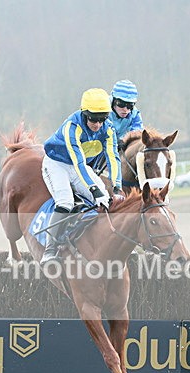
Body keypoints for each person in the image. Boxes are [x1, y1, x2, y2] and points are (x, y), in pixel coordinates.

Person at [40, 88, 123, 265]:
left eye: (102, 119)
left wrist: (117, 187)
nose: (98, 124)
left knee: (106, 199)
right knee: (65, 203)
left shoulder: (108, 129)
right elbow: (78, 163)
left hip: (78, 166)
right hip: (57, 164)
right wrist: (94, 190)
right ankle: (50, 250)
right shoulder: (72, 127)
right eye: (93, 119)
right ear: (85, 114)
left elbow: (113, 157)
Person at [108, 79, 143, 147]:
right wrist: (114, 141)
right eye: (121, 104)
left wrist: (125, 140)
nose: (125, 110)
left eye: (130, 105)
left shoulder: (135, 114)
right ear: (113, 100)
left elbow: (137, 133)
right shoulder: (103, 110)